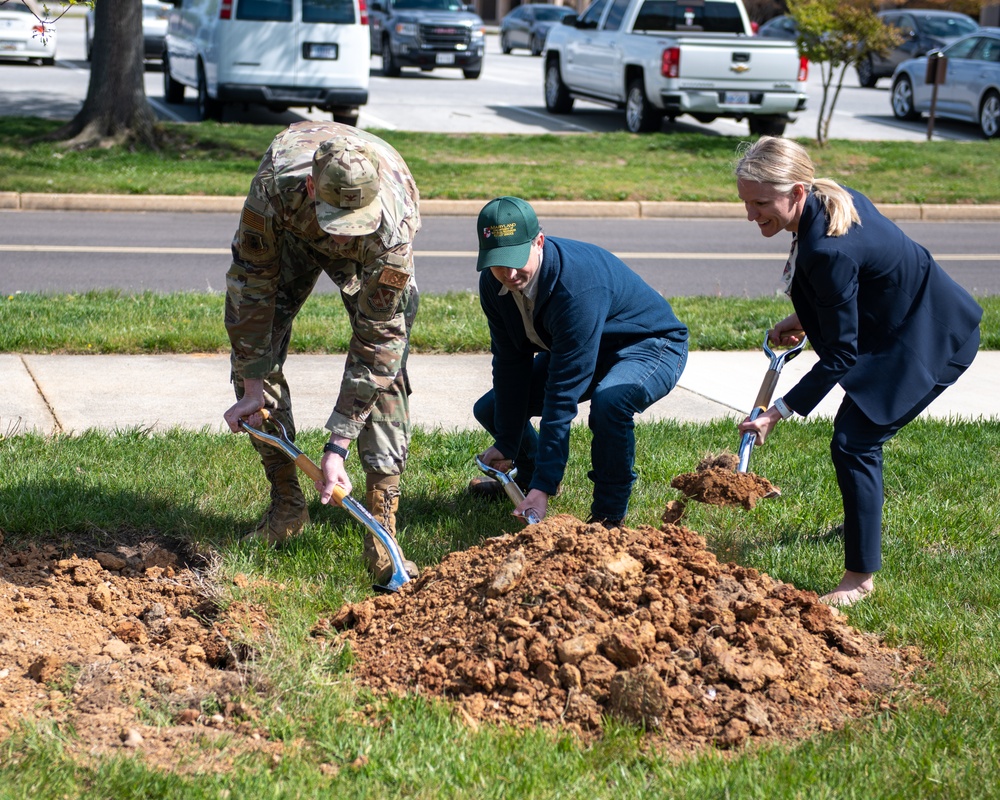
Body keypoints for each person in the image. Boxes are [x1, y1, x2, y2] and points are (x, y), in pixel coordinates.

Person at [734, 136, 982, 607]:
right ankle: (860, 520)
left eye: (761, 203)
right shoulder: (829, 199)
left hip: (931, 337)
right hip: (904, 321)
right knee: (856, 438)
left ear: (797, 192)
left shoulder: (829, 247)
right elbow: (857, 284)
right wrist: (807, 318)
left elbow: (841, 355)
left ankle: (859, 579)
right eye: (746, 203)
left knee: (854, 441)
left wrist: (777, 412)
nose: (751, 214)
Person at [223, 120, 420, 585]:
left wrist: (338, 444)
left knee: (388, 375)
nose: (341, 241)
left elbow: (378, 344)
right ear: (312, 186)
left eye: (352, 228)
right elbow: (251, 286)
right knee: (253, 353)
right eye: (337, 225)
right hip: (293, 232)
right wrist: (253, 383)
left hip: (375, 246)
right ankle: (287, 508)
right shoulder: (275, 188)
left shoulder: (392, 230)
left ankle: (381, 531)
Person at [470, 196, 689, 528]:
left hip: (650, 344)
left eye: (517, 259)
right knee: (492, 408)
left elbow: (562, 394)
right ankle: (527, 484)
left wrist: (548, 478)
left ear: (538, 242)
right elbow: (510, 363)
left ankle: (607, 517)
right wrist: (506, 444)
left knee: (610, 402)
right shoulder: (494, 284)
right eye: (499, 263)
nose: (510, 273)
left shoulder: (576, 289)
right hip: (589, 347)